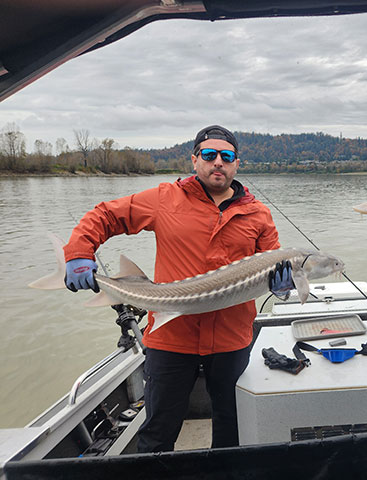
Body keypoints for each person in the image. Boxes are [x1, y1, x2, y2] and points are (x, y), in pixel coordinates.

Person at [62, 125, 294, 451]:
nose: (218, 162)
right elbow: (106, 216)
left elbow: (274, 272)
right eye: (209, 155)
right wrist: (78, 252)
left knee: (233, 427)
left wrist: (282, 288)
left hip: (232, 338)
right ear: (195, 160)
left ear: (236, 163)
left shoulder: (258, 214)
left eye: (226, 156)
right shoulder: (164, 198)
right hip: (171, 337)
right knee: (158, 430)